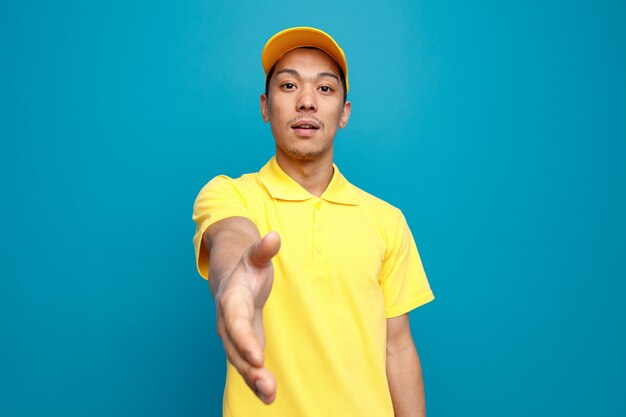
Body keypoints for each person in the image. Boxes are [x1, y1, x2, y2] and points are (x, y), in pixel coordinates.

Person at [192, 27, 435, 417]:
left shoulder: (386, 220)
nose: (306, 102)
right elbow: (232, 239)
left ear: (344, 112)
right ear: (265, 106)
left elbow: (398, 346)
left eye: (325, 89)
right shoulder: (230, 195)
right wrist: (235, 282)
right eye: (288, 86)